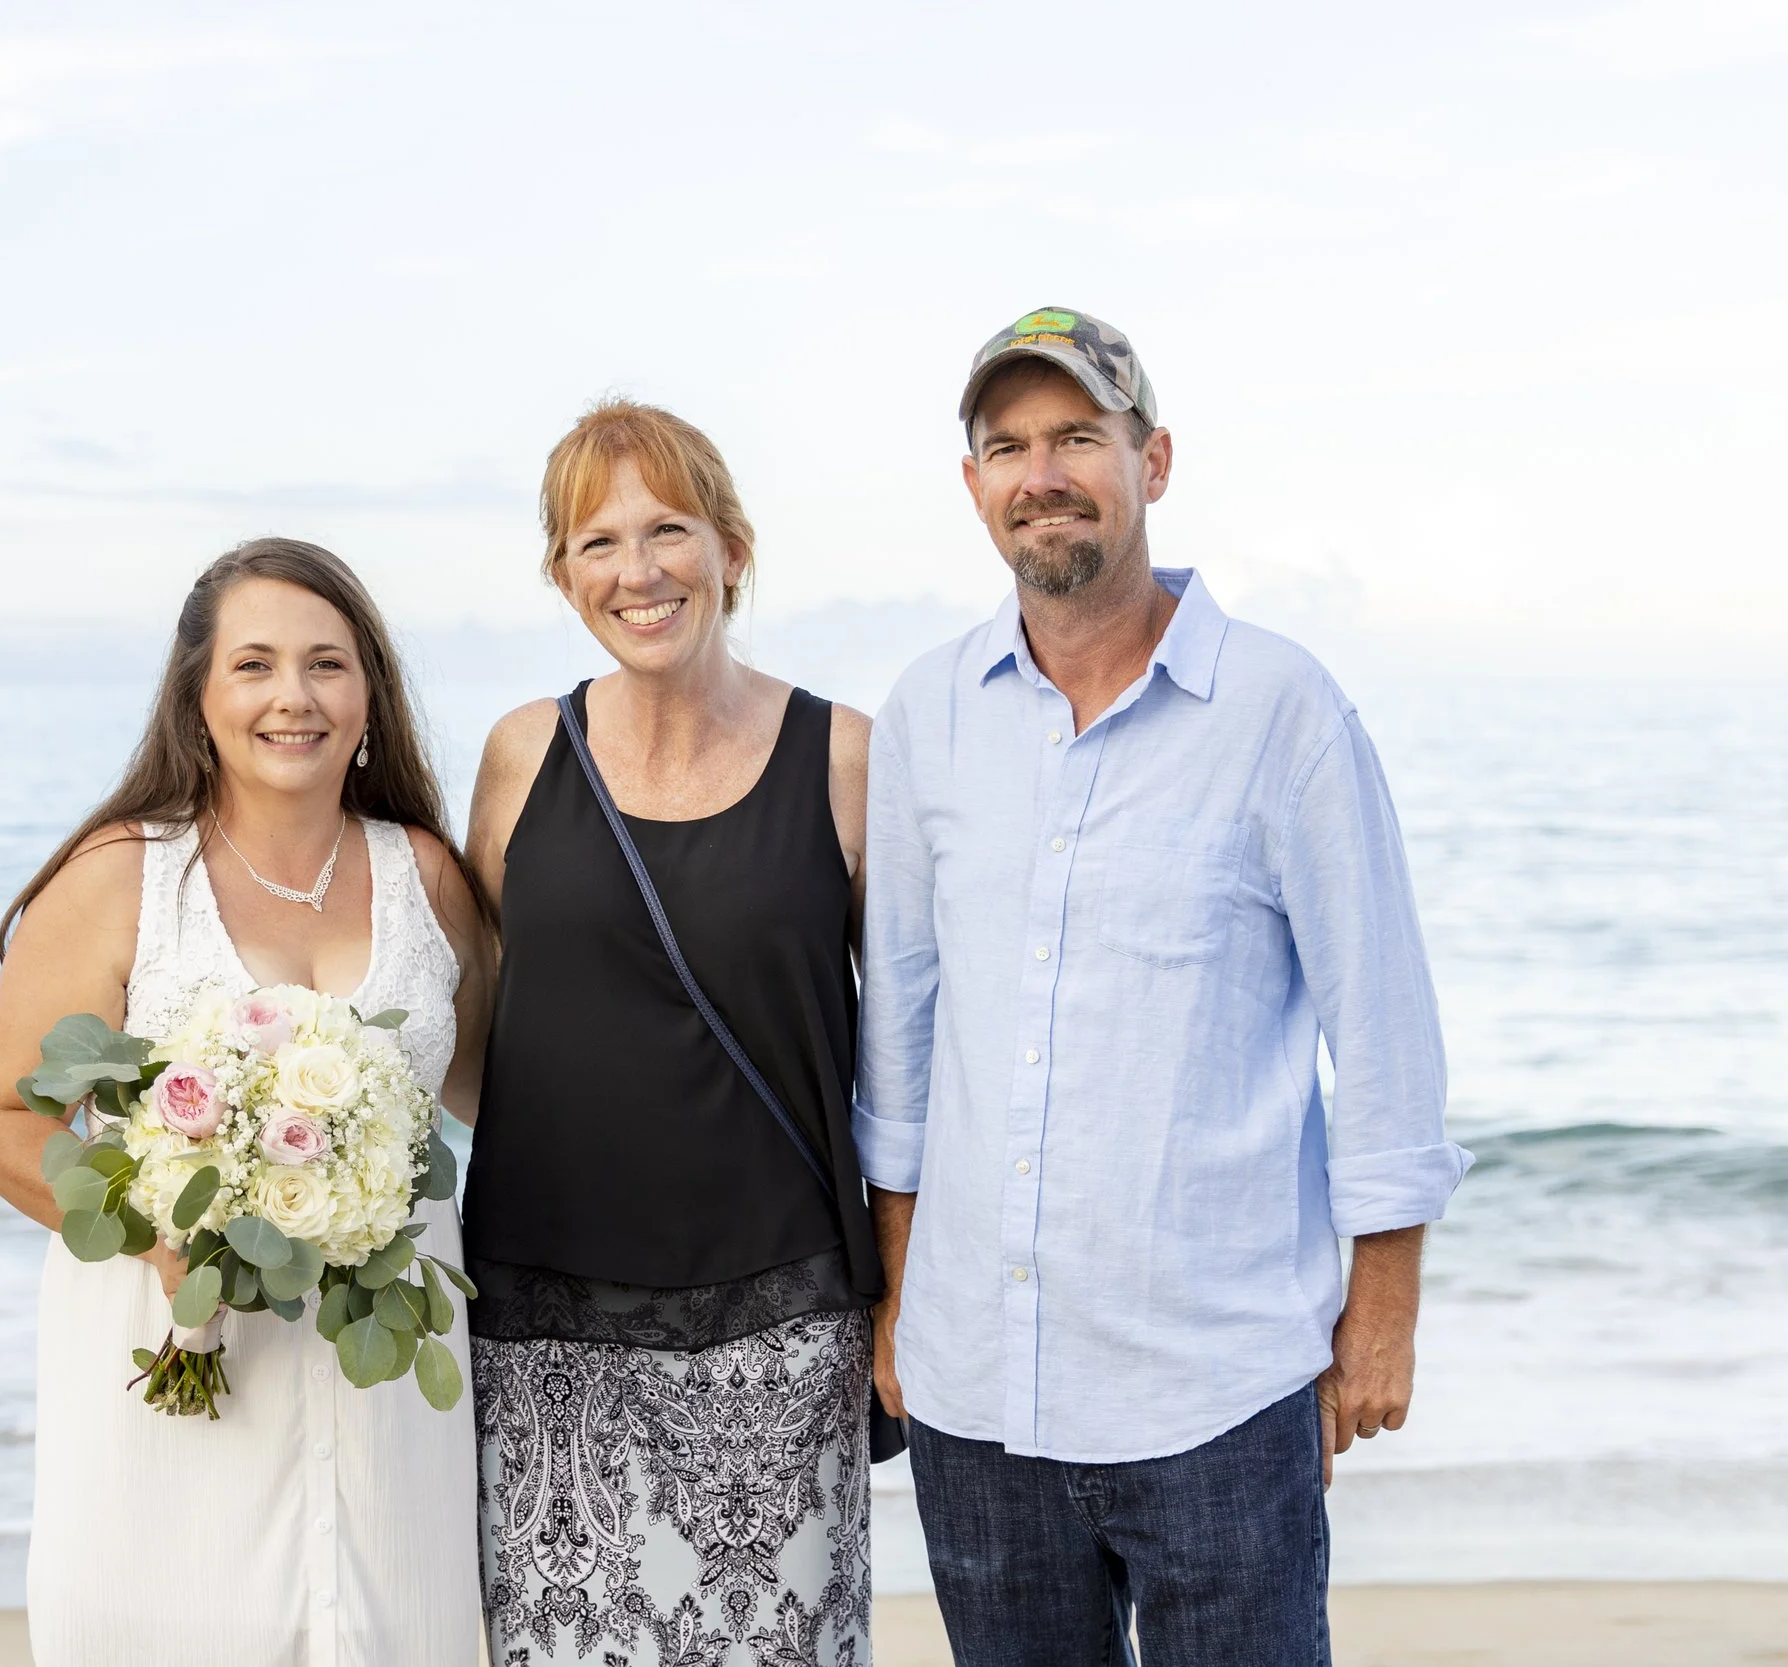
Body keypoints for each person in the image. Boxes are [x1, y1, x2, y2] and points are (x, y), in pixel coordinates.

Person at [859, 309, 1472, 1667]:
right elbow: (899, 1043)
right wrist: (900, 1298)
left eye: (1079, 434)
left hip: (1216, 1390)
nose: (1043, 472)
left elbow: (1382, 1029)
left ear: (1155, 458)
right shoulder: (928, 714)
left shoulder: (1281, 708)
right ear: (973, 486)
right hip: (980, 1399)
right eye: (1007, 445)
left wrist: (1381, 1312)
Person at [0, 538, 493, 1667]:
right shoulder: (122, 873)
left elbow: (500, 1096)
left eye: (327, 665)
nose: (292, 697)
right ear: (198, 698)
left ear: (369, 698)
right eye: (254, 665)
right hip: (183, 1354)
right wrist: (167, 1238)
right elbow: (4, 1128)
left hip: (392, 1380)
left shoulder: (429, 878)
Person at [462, 401, 884, 1666]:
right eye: (597, 542)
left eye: (668, 530)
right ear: (561, 575)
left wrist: (908, 1293)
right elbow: (482, 1011)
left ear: (732, 548)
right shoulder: (521, 753)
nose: (636, 571)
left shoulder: (845, 757)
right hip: (541, 1322)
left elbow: (917, 1054)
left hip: (783, 1322)